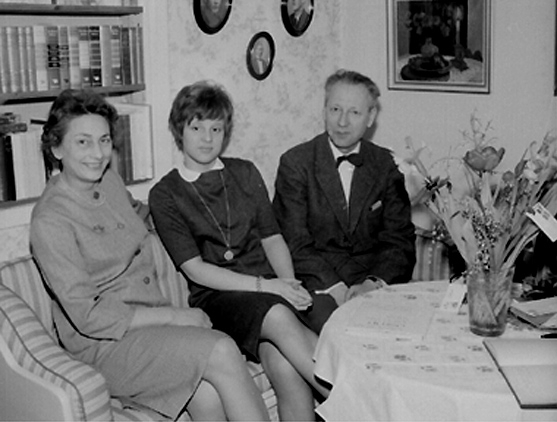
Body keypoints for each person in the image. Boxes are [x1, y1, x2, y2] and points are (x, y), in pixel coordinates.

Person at [30, 89, 269, 422]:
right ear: (56, 148)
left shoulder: (109, 181)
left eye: (104, 140)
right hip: (104, 345)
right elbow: (88, 315)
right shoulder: (50, 220)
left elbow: (141, 215)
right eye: (83, 142)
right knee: (222, 348)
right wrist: (174, 316)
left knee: (208, 394)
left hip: (147, 326)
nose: (97, 154)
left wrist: (196, 220)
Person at [149, 81, 329, 422]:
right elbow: (195, 269)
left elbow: (272, 238)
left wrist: (289, 284)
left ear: (225, 132)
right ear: (179, 130)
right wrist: (269, 288)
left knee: (286, 366)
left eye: (216, 129)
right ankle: (351, 400)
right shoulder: (166, 193)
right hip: (218, 298)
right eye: (196, 128)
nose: (207, 138)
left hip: (269, 292)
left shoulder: (244, 172)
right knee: (277, 314)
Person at [273, 69, 416, 333]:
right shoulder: (296, 163)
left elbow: (399, 239)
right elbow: (294, 241)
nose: (342, 122)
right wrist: (335, 288)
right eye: (335, 109)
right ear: (324, 111)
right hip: (318, 283)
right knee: (343, 329)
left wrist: (373, 283)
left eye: (354, 112)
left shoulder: (385, 165)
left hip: (371, 281)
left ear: (370, 117)